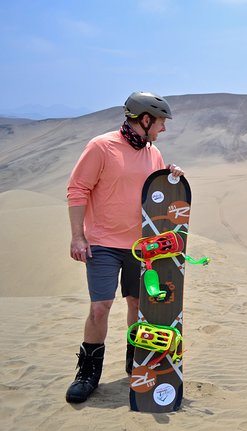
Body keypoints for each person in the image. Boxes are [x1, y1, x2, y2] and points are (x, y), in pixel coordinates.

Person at [65, 91, 183, 403]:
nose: (164, 129)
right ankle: (88, 372)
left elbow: (156, 192)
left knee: (136, 305)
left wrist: (171, 176)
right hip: (102, 244)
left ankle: (136, 362)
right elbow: (77, 189)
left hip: (140, 246)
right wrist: (78, 236)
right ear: (145, 120)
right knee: (100, 307)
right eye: (160, 122)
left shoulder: (152, 153)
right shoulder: (101, 146)